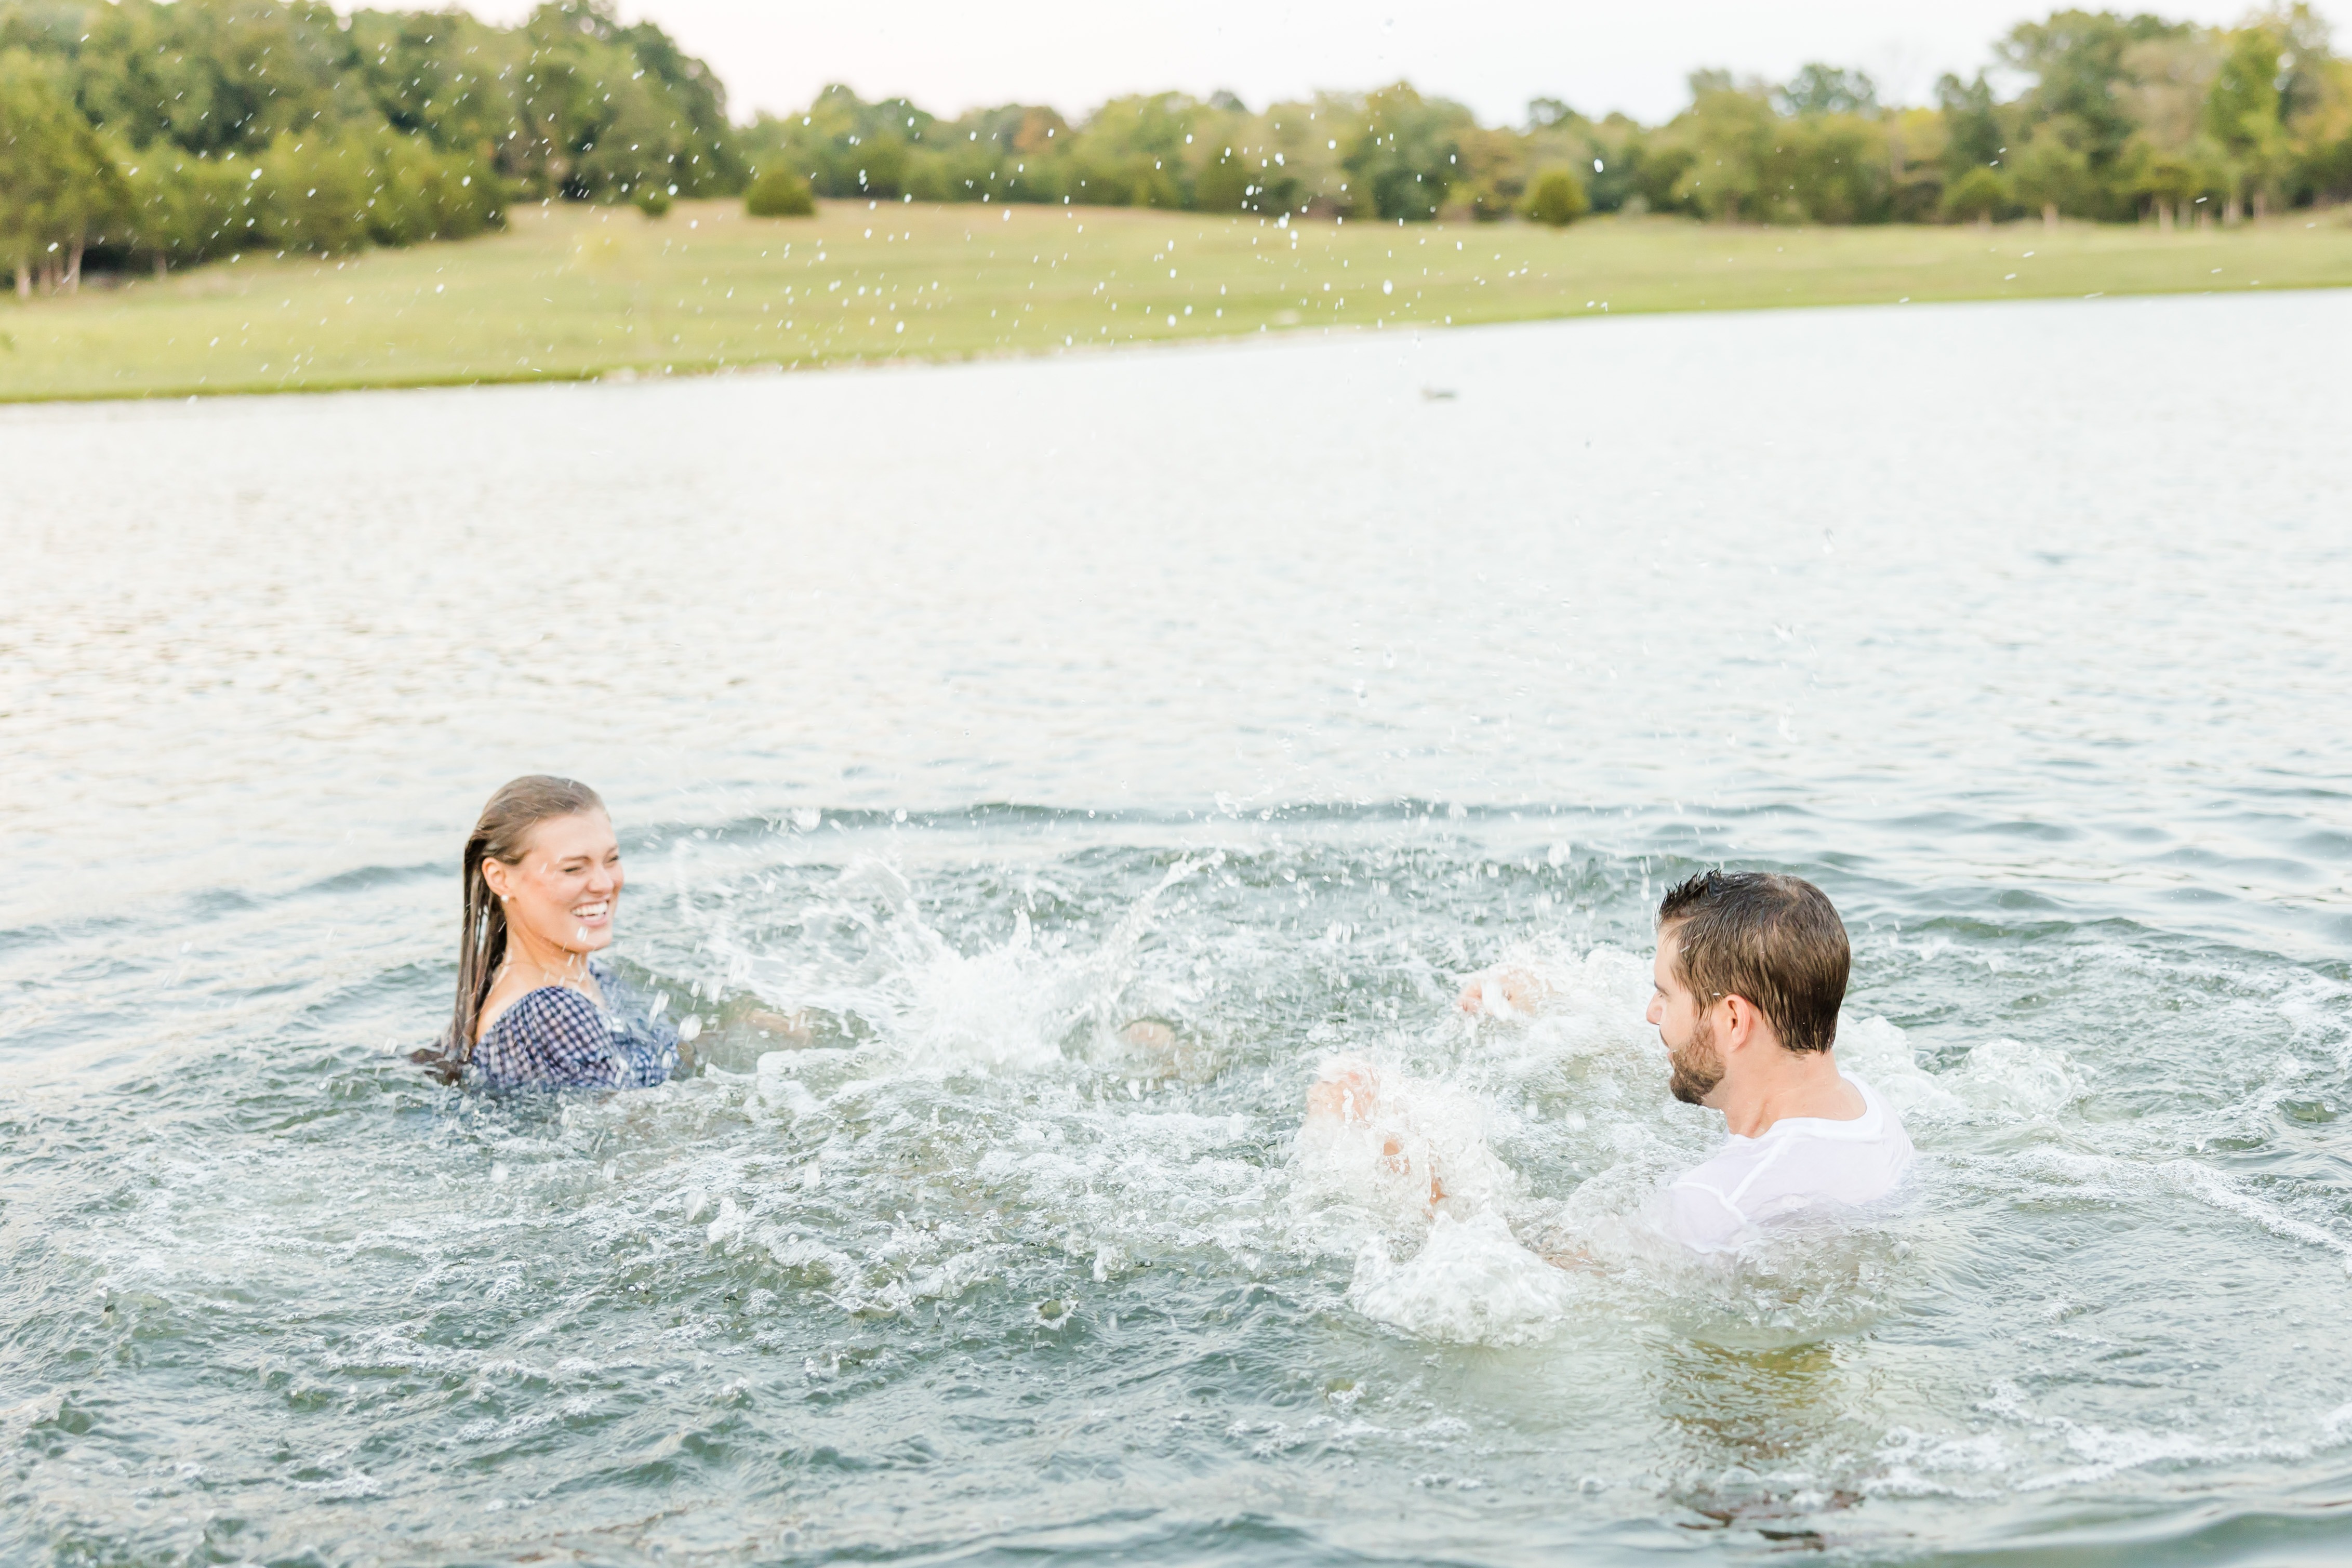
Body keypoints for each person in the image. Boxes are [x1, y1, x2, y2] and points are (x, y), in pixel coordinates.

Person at [1307, 869, 1912, 1255]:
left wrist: (1410, 1167)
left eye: (1664, 995)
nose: (1651, 1015)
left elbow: (1525, 1276)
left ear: (1732, 1020)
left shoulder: (1718, 1205)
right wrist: (1560, 1006)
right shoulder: (1866, 1110)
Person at [420, 775, 684, 1090]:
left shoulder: (588, 977)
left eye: (611, 860)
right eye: (573, 869)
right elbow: (633, 1124)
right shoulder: (548, 1011)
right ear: (500, 878)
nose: (604, 883)